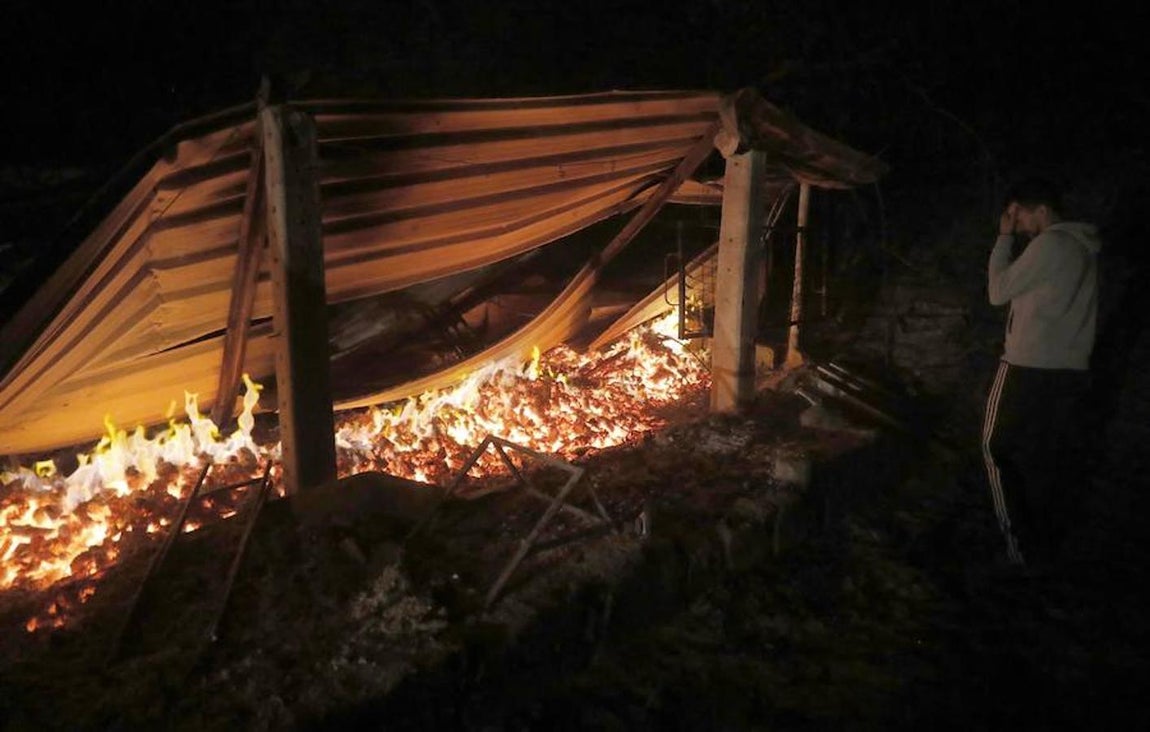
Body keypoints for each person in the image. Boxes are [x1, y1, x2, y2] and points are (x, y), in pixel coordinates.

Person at [981, 178, 1102, 569]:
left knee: (994, 448)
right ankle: (1045, 541)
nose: (1017, 225)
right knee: (1043, 459)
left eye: (1020, 216)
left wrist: (1002, 239)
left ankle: (1019, 548)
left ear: (1042, 211)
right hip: (1068, 372)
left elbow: (998, 292)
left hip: (1026, 367)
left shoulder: (1050, 244)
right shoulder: (1085, 248)